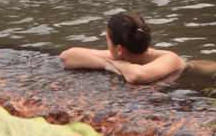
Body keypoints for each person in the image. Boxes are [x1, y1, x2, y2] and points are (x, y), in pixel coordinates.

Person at [59, 12, 187, 84]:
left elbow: (137, 75)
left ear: (119, 49)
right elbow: (67, 56)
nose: (107, 46)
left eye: (107, 41)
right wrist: (104, 64)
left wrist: (120, 65)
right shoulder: (126, 54)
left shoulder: (169, 58)